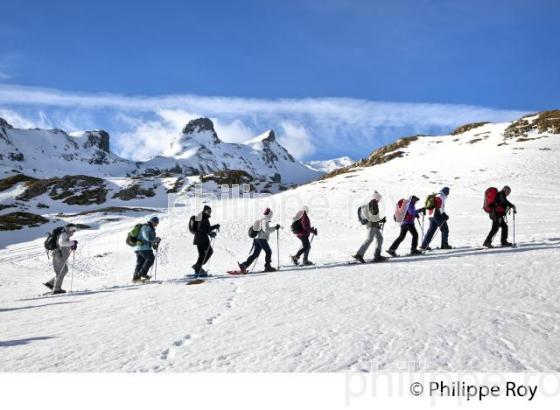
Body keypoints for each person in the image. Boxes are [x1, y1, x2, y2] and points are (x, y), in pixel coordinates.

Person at [238, 208, 281, 273]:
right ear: (270, 214)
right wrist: (275, 228)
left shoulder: (262, 219)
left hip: (257, 239)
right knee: (268, 251)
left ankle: (244, 265)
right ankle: (268, 266)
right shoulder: (265, 220)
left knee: (255, 254)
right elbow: (266, 230)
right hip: (262, 239)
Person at [353, 191, 388, 263]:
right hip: (372, 225)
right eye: (379, 198)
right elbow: (373, 216)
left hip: (374, 224)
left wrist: (380, 221)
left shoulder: (372, 203)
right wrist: (381, 220)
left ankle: (377, 255)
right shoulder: (373, 203)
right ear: (376, 197)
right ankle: (359, 254)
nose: (380, 199)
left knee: (379, 238)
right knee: (369, 239)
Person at [43, 224, 78, 294]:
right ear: (70, 229)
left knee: (64, 270)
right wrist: (73, 242)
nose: (73, 232)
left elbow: (63, 245)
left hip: (59, 255)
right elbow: (62, 243)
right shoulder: (64, 234)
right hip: (58, 255)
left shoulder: (64, 234)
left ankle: (51, 284)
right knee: (61, 272)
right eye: (73, 230)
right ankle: (57, 289)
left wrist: (71, 245)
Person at [192, 205, 220, 277]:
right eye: (208, 211)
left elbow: (206, 228)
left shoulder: (203, 217)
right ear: (204, 211)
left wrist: (215, 226)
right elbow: (201, 228)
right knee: (210, 251)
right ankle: (198, 266)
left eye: (210, 211)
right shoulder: (202, 217)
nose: (210, 212)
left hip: (199, 238)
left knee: (201, 255)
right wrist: (210, 233)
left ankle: (197, 268)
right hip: (202, 238)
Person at [133, 216, 161, 283]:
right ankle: (142, 273)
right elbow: (147, 238)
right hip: (144, 248)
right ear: (153, 222)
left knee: (140, 263)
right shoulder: (146, 227)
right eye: (156, 223)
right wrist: (156, 239)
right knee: (150, 259)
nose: (156, 225)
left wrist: (154, 245)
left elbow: (148, 239)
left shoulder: (148, 227)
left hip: (139, 247)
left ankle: (136, 278)